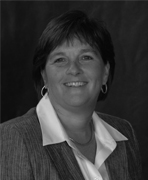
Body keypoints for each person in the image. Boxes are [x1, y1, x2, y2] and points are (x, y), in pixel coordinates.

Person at [0, 10, 141, 180]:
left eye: (86, 57)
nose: (74, 69)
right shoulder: (13, 137)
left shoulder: (124, 133)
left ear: (105, 71)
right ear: (44, 75)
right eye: (60, 59)